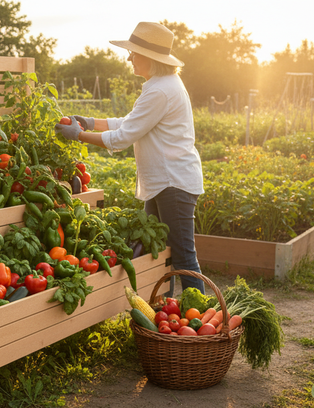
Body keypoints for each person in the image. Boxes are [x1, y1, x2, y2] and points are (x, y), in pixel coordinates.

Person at [54, 21, 206, 294]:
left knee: (183, 257)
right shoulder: (161, 84)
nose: (128, 57)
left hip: (174, 183)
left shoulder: (160, 89)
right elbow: (131, 121)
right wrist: (90, 122)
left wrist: (78, 135)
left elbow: (123, 137)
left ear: (150, 58)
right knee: (158, 252)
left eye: (133, 53)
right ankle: (164, 313)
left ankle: (203, 324)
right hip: (166, 182)